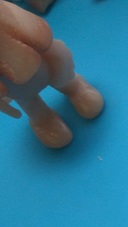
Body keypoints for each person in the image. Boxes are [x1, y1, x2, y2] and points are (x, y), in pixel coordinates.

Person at [0, 0, 103, 147]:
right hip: (13, 85)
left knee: (61, 77)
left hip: (41, 62)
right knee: (29, 102)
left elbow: (36, 29)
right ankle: (43, 120)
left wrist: (44, 43)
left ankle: (76, 88)